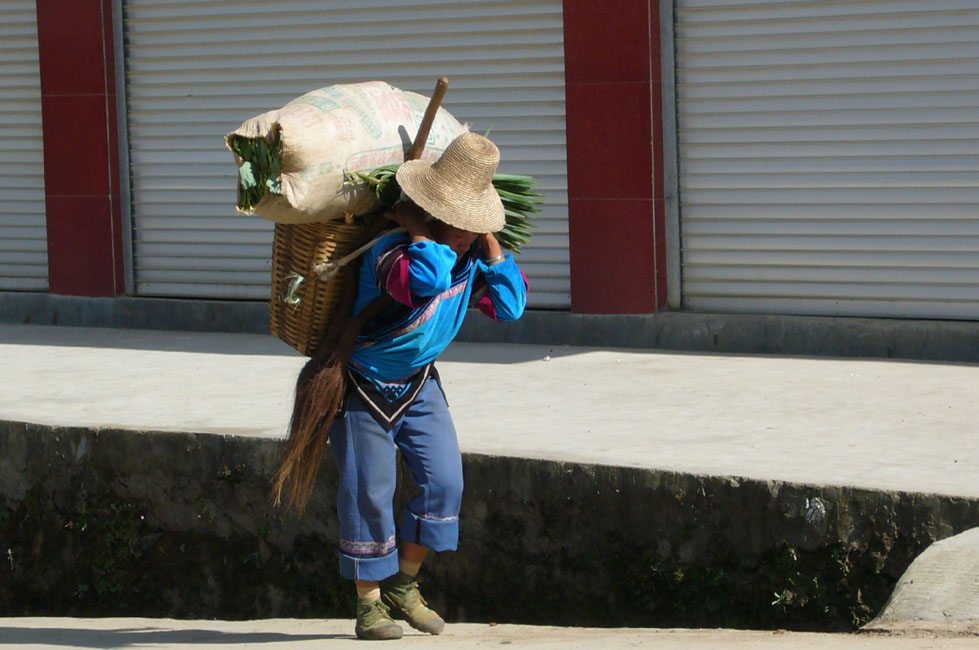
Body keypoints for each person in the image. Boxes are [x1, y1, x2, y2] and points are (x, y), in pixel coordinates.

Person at [332, 132, 527, 640]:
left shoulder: (464, 262)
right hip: (364, 387)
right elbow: (423, 283)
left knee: (445, 483)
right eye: (460, 223)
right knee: (368, 493)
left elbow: (509, 309)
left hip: (420, 387)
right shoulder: (390, 254)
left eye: (474, 223)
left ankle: (404, 582)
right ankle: (370, 605)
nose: (466, 233)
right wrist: (419, 232)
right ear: (431, 213)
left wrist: (489, 245)